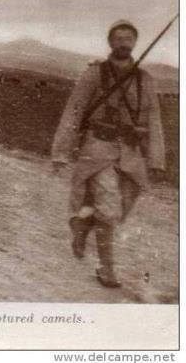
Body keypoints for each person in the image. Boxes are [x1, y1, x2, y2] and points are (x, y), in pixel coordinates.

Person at [51, 20, 166, 288]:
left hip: (130, 152)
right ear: (110, 42)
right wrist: (61, 152)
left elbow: (154, 119)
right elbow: (74, 110)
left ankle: (82, 226)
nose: (123, 42)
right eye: (118, 38)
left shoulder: (144, 80)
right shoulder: (95, 73)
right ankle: (106, 269)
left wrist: (156, 159)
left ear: (135, 42)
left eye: (128, 38)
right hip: (98, 148)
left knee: (122, 205)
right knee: (109, 206)